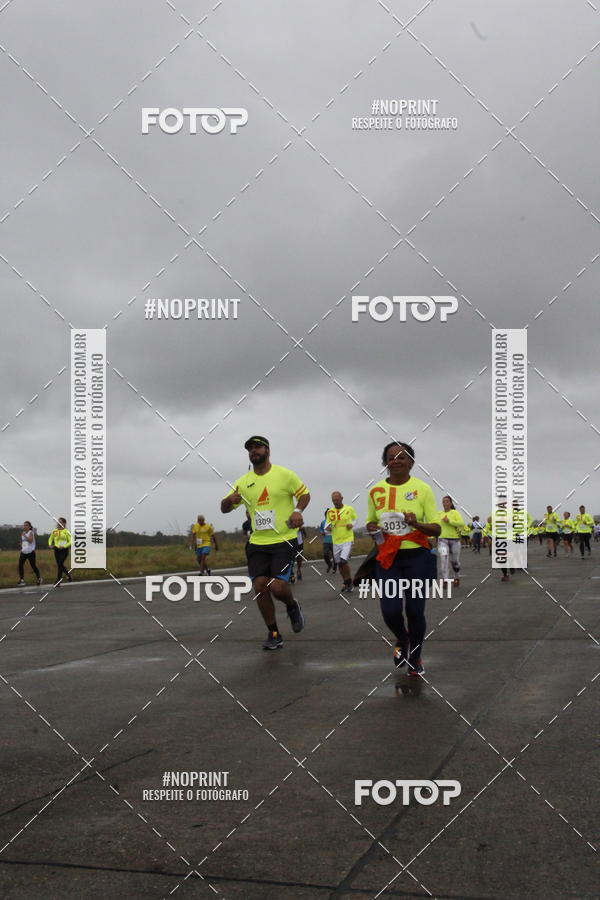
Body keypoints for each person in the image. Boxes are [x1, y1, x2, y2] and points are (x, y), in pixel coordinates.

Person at [220, 436, 310, 650]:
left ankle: (291, 605)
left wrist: (297, 511)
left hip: (283, 540)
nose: (254, 451)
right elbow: (224, 508)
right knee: (260, 586)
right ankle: (274, 633)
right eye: (250, 449)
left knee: (277, 587)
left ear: (267, 450)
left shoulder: (285, 475)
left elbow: (305, 495)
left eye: (258, 447)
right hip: (258, 542)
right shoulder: (243, 482)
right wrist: (229, 501)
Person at [366, 442, 440, 677]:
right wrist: (372, 527)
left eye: (401, 457)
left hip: (417, 557)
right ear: (385, 462)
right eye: (390, 457)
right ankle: (403, 638)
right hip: (388, 559)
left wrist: (416, 523)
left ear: (411, 462)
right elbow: (370, 521)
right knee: (390, 610)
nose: (395, 461)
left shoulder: (423, 489)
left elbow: (436, 528)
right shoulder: (375, 491)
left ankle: (415, 657)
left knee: (415, 611)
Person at [326, 492, 357, 593]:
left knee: (343, 561)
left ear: (342, 498)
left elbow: (355, 520)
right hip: (336, 541)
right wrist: (328, 528)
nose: (335, 502)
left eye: (337, 500)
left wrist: (352, 525)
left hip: (347, 539)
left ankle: (349, 581)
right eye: (333, 500)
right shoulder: (330, 512)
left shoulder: (349, 509)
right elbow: (327, 525)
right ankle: (346, 581)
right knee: (339, 563)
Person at [436, 496, 464, 587]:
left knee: (455, 562)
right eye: (443, 501)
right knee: (443, 560)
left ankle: (456, 576)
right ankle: (445, 580)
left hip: (454, 540)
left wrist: (449, 521)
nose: (445, 503)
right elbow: (434, 524)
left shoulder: (455, 513)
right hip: (442, 540)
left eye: (447, 501)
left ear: (451, 503)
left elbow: (461, 523)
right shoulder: (439, 514)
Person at [48, 517, 72, 584]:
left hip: (64, 550)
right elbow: (50, 538)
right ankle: (66, 576)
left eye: (60, 522)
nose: (58, 523)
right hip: (57, 549)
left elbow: (70, 541)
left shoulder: (66, 531)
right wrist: (50, 544)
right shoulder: (55, 531)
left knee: (60, 564)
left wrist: (64, 546)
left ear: (64, 523)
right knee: (59, 565)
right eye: (58, 522)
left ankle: (59, 580)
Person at [18, 521, 41, 586]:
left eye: (26, 525)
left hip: (30, 552)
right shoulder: (23, 533)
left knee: (33, 565)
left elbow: (30, 541)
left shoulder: (31, 532)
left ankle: (39, 578)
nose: (25, 526)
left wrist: (25, 536)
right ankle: (22, 580)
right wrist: (21, 544)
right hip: (23, 551)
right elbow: (23, 541)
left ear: (29, 526)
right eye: (24, 525)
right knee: (20, 565)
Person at [319, 509, 336, 574]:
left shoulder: (334, 521)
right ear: (325, 515)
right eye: (327, 514)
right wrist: (322, 532)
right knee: (325, 554)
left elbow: (338, 529)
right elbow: (321, 529)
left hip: (334, 540)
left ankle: (334, 568)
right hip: (326, 540)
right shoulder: (323, 522)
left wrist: (332, 529)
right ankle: (329, 564)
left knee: (335, 556)